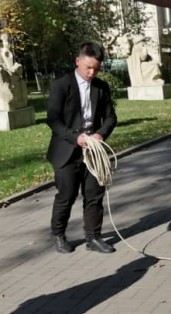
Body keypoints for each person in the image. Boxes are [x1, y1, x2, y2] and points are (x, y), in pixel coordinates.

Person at [46, 42, 118, 254]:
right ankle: (59, 235)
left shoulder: (101, 87)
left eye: (96, 68)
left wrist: (100, 134)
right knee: (66, 196)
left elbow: (111, 117)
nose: (91, 72)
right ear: (77, 61)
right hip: (66, 150)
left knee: (94, 195)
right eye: (88, 67)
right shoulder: (61, 85)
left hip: (93, 151)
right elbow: (53, 119)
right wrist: (75, 138)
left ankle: (93, 238)